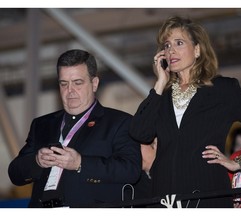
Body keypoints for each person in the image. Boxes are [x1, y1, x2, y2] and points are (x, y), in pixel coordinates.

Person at [129, 16, 241, 208]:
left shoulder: (223, 89)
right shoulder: (162, 96)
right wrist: (160, 82)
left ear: (197, 50)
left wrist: (239, 163)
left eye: (179, 43)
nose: (171, 51)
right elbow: (139, 132)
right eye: (167, 45)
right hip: (164, 197)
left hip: (207, 194)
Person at [8, 49, 142, 208]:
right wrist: (36, 161)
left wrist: (80, 163)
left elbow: (130, 170)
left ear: (94, 84)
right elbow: (15, 173)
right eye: (64, 84)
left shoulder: (119, 122)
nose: (70, 91)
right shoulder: (42, 124)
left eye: (78, 83)